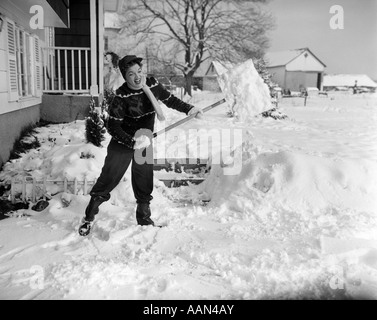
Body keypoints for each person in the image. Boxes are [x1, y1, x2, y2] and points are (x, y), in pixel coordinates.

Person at [79, 55, 203, 236]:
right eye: (131, 74)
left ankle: (144, 219)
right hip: (123, 142)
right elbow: (113, 126)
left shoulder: (151, 84)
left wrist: (189, 109)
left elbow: (170, 100)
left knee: (143, 178)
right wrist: (131, 141)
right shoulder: (121, 96)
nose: (137, 77)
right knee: (109, 178)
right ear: (124, 76)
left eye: (139, 71)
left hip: (144, 138)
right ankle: (88, 218)